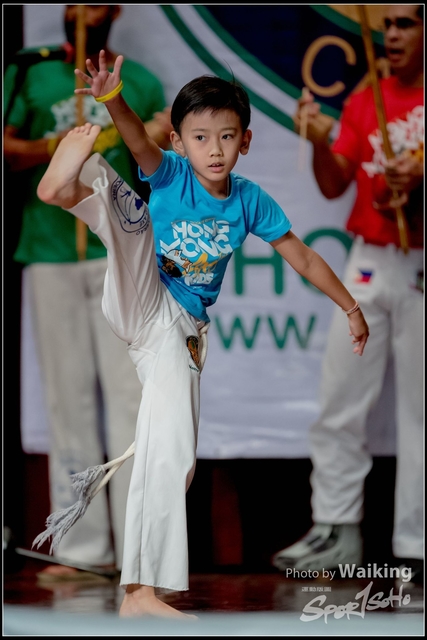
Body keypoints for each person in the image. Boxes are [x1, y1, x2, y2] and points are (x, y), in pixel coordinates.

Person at [34, 48, 369, 617]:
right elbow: (140, 141)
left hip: (179, 328)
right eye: (199, 137)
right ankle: (140, 592)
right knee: (134, 221)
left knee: (175, 457)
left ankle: (75, 189)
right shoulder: (169, 172)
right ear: (179, 141)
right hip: (145, 295)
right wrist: (113, 100)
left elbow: (305, 258)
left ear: (246, 141)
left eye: (226, 137)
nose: (213, 150)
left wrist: (351, 305)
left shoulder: (249, 200)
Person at [3, 5, 172, 580]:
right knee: (66, 404)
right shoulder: (31, 75)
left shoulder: (139, 80)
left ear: (114, 11)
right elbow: (6, 145)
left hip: (114, 253)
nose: (83, 10)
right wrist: (63, 148)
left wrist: (123, 134)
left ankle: (140, 556)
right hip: (49, 251)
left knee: (131, 402)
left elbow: (158, 153)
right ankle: (81, 549)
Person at [272, 4, 424, 585]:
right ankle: (336, 529)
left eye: (406, 23)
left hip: (422, 263)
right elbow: (335, 183)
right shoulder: (367, 97)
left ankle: (416, 545)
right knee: (340, 395)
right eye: (387, 24)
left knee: (420, 411)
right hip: (367, 260)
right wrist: (316, 140)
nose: (391, 34)